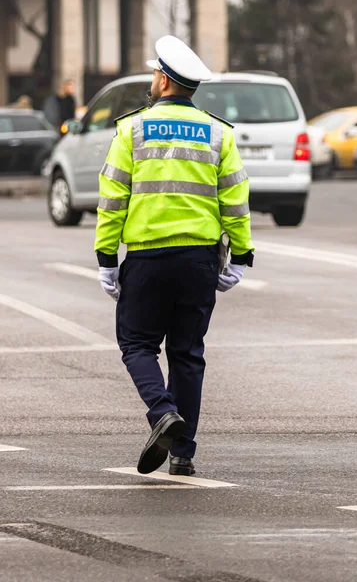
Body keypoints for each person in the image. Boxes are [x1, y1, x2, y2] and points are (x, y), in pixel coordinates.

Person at [94, 35, 254, 477]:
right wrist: (241, 254)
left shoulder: (132, 130)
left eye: (153, 74)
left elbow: (112, 201)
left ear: (163, 80)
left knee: (137, 343)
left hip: (148, 259)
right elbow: (235, 201)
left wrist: (107, 260)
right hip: (200, 260)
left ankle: (162, 411)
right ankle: (182, 454)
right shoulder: (219, 133)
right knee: (187, 353)